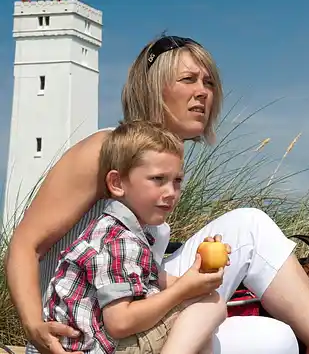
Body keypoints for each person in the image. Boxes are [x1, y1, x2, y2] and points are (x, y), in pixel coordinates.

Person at [6, 35, 309, 354]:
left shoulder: (162, 165)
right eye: (188, 79)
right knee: (250, 227)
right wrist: (34, 326)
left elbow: (142, 267)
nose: (203, 92)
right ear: (153, 88)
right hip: (85, 329)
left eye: (209, 82)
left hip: (128, 308)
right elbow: (25, 245)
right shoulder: (105, 149)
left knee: (276, 340)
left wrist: (191, 281)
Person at [40, 120, 227, 354]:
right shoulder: (120, 241)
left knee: (200, 322)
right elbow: (119, 323)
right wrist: (183, 289)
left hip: (93, 344)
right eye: (158, 179)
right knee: (211, 304)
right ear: (117, 183)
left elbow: (157, 280)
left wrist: (200, 272)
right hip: (105, 347)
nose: (171, 192)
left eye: (177, 180)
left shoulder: (118, 231)